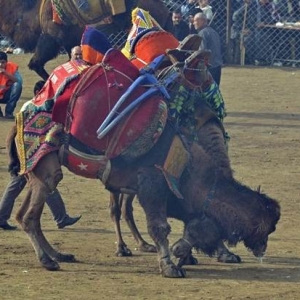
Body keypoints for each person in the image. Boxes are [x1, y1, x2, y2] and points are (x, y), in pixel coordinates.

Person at [0, 80, 82, 231]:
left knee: (35, 184)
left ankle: (61, 216)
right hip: (30, 153)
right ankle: (61, 217)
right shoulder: (34, 108)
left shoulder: (41, 107)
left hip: (32, 152)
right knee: (43, 183)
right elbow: (14, 132)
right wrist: (13, 158)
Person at [193, 12, 223, 85]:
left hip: (209, 67)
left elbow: (202, 51)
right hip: (217, 65)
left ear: (202, 21)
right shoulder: (214, 32)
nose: (194, 23)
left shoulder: (202, 33)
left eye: (195, 20)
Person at [0, 51, 22, 119]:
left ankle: (8, 112)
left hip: (7, 95)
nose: (0, 64)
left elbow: (18, 81)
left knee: (17, 85)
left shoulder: (11, 67)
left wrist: (5, 73)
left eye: (3, 62)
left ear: (6, 62)